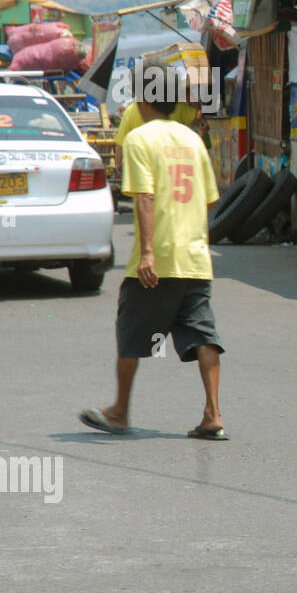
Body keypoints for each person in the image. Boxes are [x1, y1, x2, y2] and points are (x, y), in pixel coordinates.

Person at [78, 81, 227, 440]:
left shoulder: (139, 139)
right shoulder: (194, 140)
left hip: (157, 261)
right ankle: (213, 415)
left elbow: (144, 197)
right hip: (195, 259)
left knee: (130, 336)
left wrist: (147, 252)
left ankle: (119, 412)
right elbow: (209, 199)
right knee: (202, 335)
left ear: (145, 100)